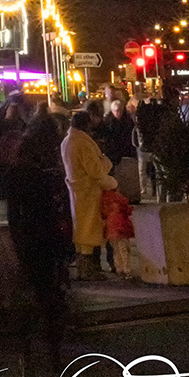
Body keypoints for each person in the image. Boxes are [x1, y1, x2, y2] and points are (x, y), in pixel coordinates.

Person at [4, 109, 70, 377]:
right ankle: (52, 355)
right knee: (49, 299)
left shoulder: (18, 175)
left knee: (30, 300)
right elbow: (60, 213)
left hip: (29, 242)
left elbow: (14, 216)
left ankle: (28, 357)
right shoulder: (46, 175)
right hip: (45, 242)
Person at [60, 107, 115, 280]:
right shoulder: (82, 142)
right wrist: (106, 162)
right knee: (90, 230)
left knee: (81, 229)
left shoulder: (67, 141)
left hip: (77, 190)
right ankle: (89, 270)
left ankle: (84, 268)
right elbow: (95, 170)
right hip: (89, 191)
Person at [96, 96, 141, 205]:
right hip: (114, 153)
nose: (118, 113)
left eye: (119, 111)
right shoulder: (108, 122)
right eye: (115, 111)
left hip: (127, 152)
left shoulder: (128, 121)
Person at [100, 180, 135, 277]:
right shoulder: (119, 199)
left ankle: (119, 268)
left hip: (111, 229)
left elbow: (103, 214)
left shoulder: (103, 199)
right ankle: (127, 269)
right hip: (122, 227)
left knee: (116, 250)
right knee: (124, 250)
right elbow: (127, 210)